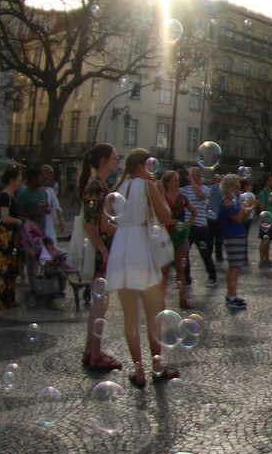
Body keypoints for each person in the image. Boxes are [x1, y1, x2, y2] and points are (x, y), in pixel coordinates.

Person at [106, 148, 180, 387]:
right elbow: (165, 215)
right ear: (140, 166)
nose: (151, 169)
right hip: (140, 250)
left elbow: (107, 223)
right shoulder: (147, 185)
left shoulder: (118, 187)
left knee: (130, 317)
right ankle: (157, 367)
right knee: (152, 314)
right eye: (149, 164)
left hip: (120, 249)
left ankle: (138, 371)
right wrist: (158, 192)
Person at [76, 144, 123, 371]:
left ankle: (90, 350)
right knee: (100, 304)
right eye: (115, 158)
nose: (117, 161)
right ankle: (95, 354)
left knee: (100, 303)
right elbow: (90, 223)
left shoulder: (99, 185)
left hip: (102, 249)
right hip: (99, 250)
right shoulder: (95, 186)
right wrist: (103, 251)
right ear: (103, 160)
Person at [158, 169, 194, 311]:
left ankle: (183, 298)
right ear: (167, 183)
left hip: (180, 234)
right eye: (174, 180)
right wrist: (168, 220)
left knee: (181, 268)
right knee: (165, 270)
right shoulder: (162, 198)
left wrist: (188, 224)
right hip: (166, 234)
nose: (177, 183)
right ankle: (161, 300)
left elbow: (193, 211)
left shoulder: (181, 198)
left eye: (178, 180)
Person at [217, 173, 252, 310]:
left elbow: (243, 218)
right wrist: (244, 205)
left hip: (238, 235)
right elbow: (237, 218)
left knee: (236, 268)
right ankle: (230, 297)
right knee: (234, 267)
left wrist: (250, 207)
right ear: (229, 187)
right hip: (232, 237)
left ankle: (232, 295)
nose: (239, 188)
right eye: (237, 186)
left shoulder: (233, 201)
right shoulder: (226, 201)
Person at [0, 166, 25, 310]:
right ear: (11, 181)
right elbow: (5, 217)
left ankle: (10, 297)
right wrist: (18, 221)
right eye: (18, 180)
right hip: (4, 237)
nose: (20, 183)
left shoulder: (12, 196)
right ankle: (3, 300)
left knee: (12, 267)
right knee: (4, 268)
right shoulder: (5, 196)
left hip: (13, 236)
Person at [184, 167, 219, 285]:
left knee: (205, 254)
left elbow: (200, 195)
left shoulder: (205, 188)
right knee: (184, 253)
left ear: (197, 177)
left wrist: (192, 180)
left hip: (201, 227)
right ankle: (186, 278)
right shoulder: (186, 189)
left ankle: (212, 276)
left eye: (190, 175)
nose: (187, 178)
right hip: (188, 226)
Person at [257, 174, 272, 270]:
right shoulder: (263, 193)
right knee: (264, 240)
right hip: (266, 221)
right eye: (271, 180)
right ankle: (262, 260)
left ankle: (267, 259)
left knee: (268, 241)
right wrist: (265, 221)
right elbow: (261, 208)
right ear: (267, 181)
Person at [40, 163, 65, 239]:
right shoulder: (37, 189)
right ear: (44, 172)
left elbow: (56, 205)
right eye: (50, 172)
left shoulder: (50, 190)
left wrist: (61, 220)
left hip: (49, 221)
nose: (52, 174)